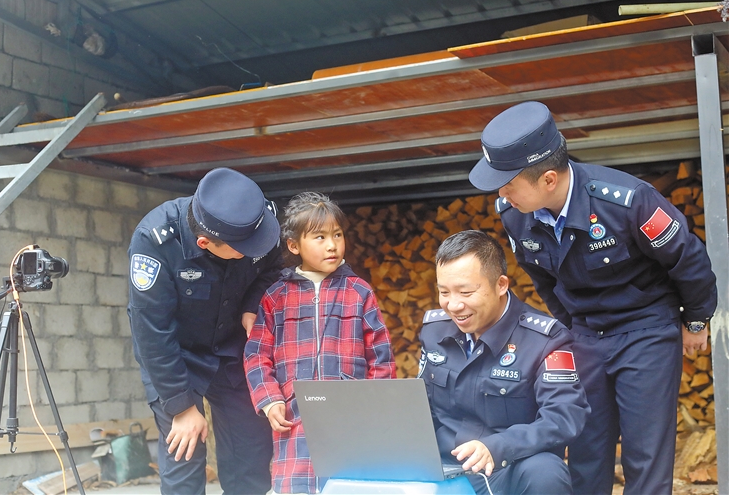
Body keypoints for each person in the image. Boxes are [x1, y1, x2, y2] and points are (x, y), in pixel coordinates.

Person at [467, 101, 718, 495]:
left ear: (548, 179)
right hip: (584, 335)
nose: (502, 193)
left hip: (647, 329)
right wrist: (571, 329)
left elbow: (689, 260)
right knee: (586, 451)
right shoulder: (514, 213)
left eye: (509, 183)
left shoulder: (628, 201)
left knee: (645, 457)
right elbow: (542, 278)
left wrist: (697, 320)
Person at [127, 167, 282, 495]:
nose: (256, 248)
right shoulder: (155, 241)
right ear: (205, 242)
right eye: (245, 248)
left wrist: (252, 304)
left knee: (250, 457)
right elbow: (152, 331)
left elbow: (273, 267)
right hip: (176, 357)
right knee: (184, 455)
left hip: (233, 349)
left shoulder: (254, 220)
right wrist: (182, 407)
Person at [244, 192, 397, 494]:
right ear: (294, 245)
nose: (332, 245)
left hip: (351, 418)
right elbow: (256, 355)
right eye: (320, 237)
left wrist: (375, 406)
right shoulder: (276, 297)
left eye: (337, 235)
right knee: (297, 486)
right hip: (294, 417)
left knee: (351, 487)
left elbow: (381, 356)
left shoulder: (358, 292)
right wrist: (270, 399)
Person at [419, 230, 589, 495]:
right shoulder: (434, 331)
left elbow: (564, 415)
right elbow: (422, 408)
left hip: (507, 467)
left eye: (466, 292)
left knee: (546, 472)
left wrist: (498, 447)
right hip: (443, 466)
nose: (453, 305)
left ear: (501, 285)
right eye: (444, 292)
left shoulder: (545, 340)